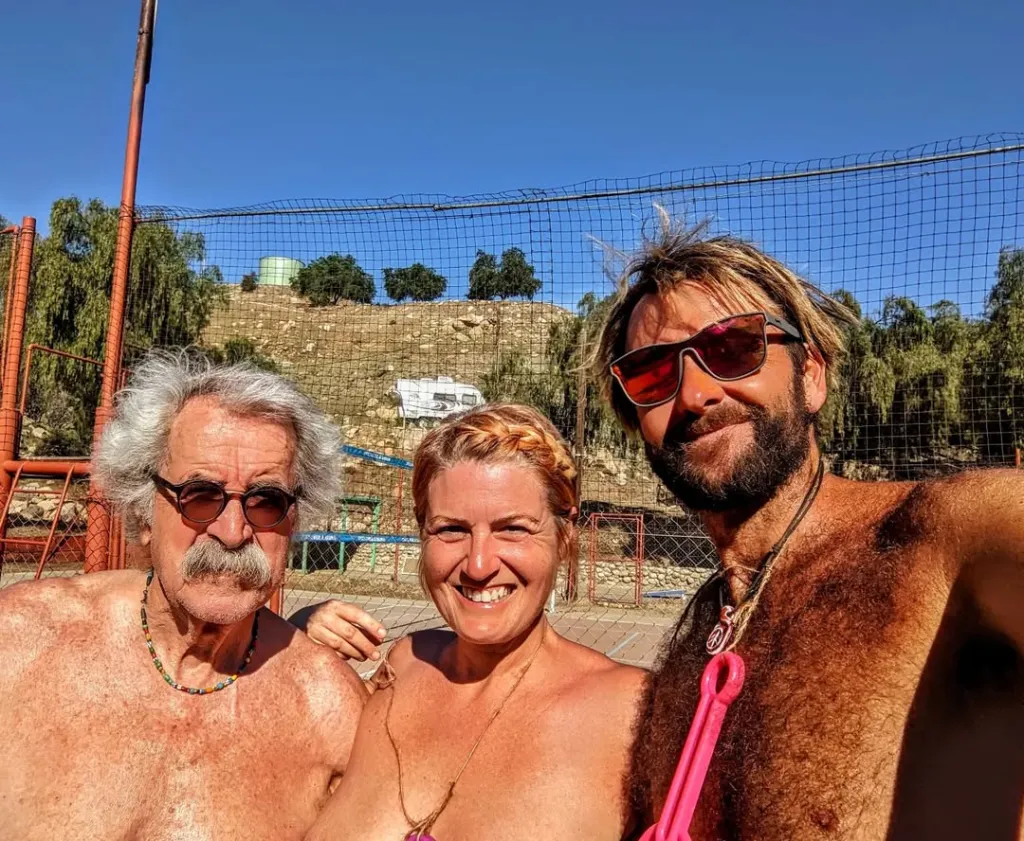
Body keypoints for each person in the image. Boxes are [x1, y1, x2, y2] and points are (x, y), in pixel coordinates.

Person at [592, 214, 1024, 841]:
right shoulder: (700, 633)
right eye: (654, 373)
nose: (695, 395)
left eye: (733, 348)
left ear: (812, 375)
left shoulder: (944, 540)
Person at [0, 351, 366, 841]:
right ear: (144, 510)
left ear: (294, 520)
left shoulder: (333, 710)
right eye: (200, 496)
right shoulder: (20, 645)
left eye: (267, 501)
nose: (233, 532)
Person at [302, 403, 646, 841]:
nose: (479, 565)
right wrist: (298, 638)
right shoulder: (402, 667)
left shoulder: (631, 713)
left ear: (564, 536)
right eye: (451, 530)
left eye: (514, 529)